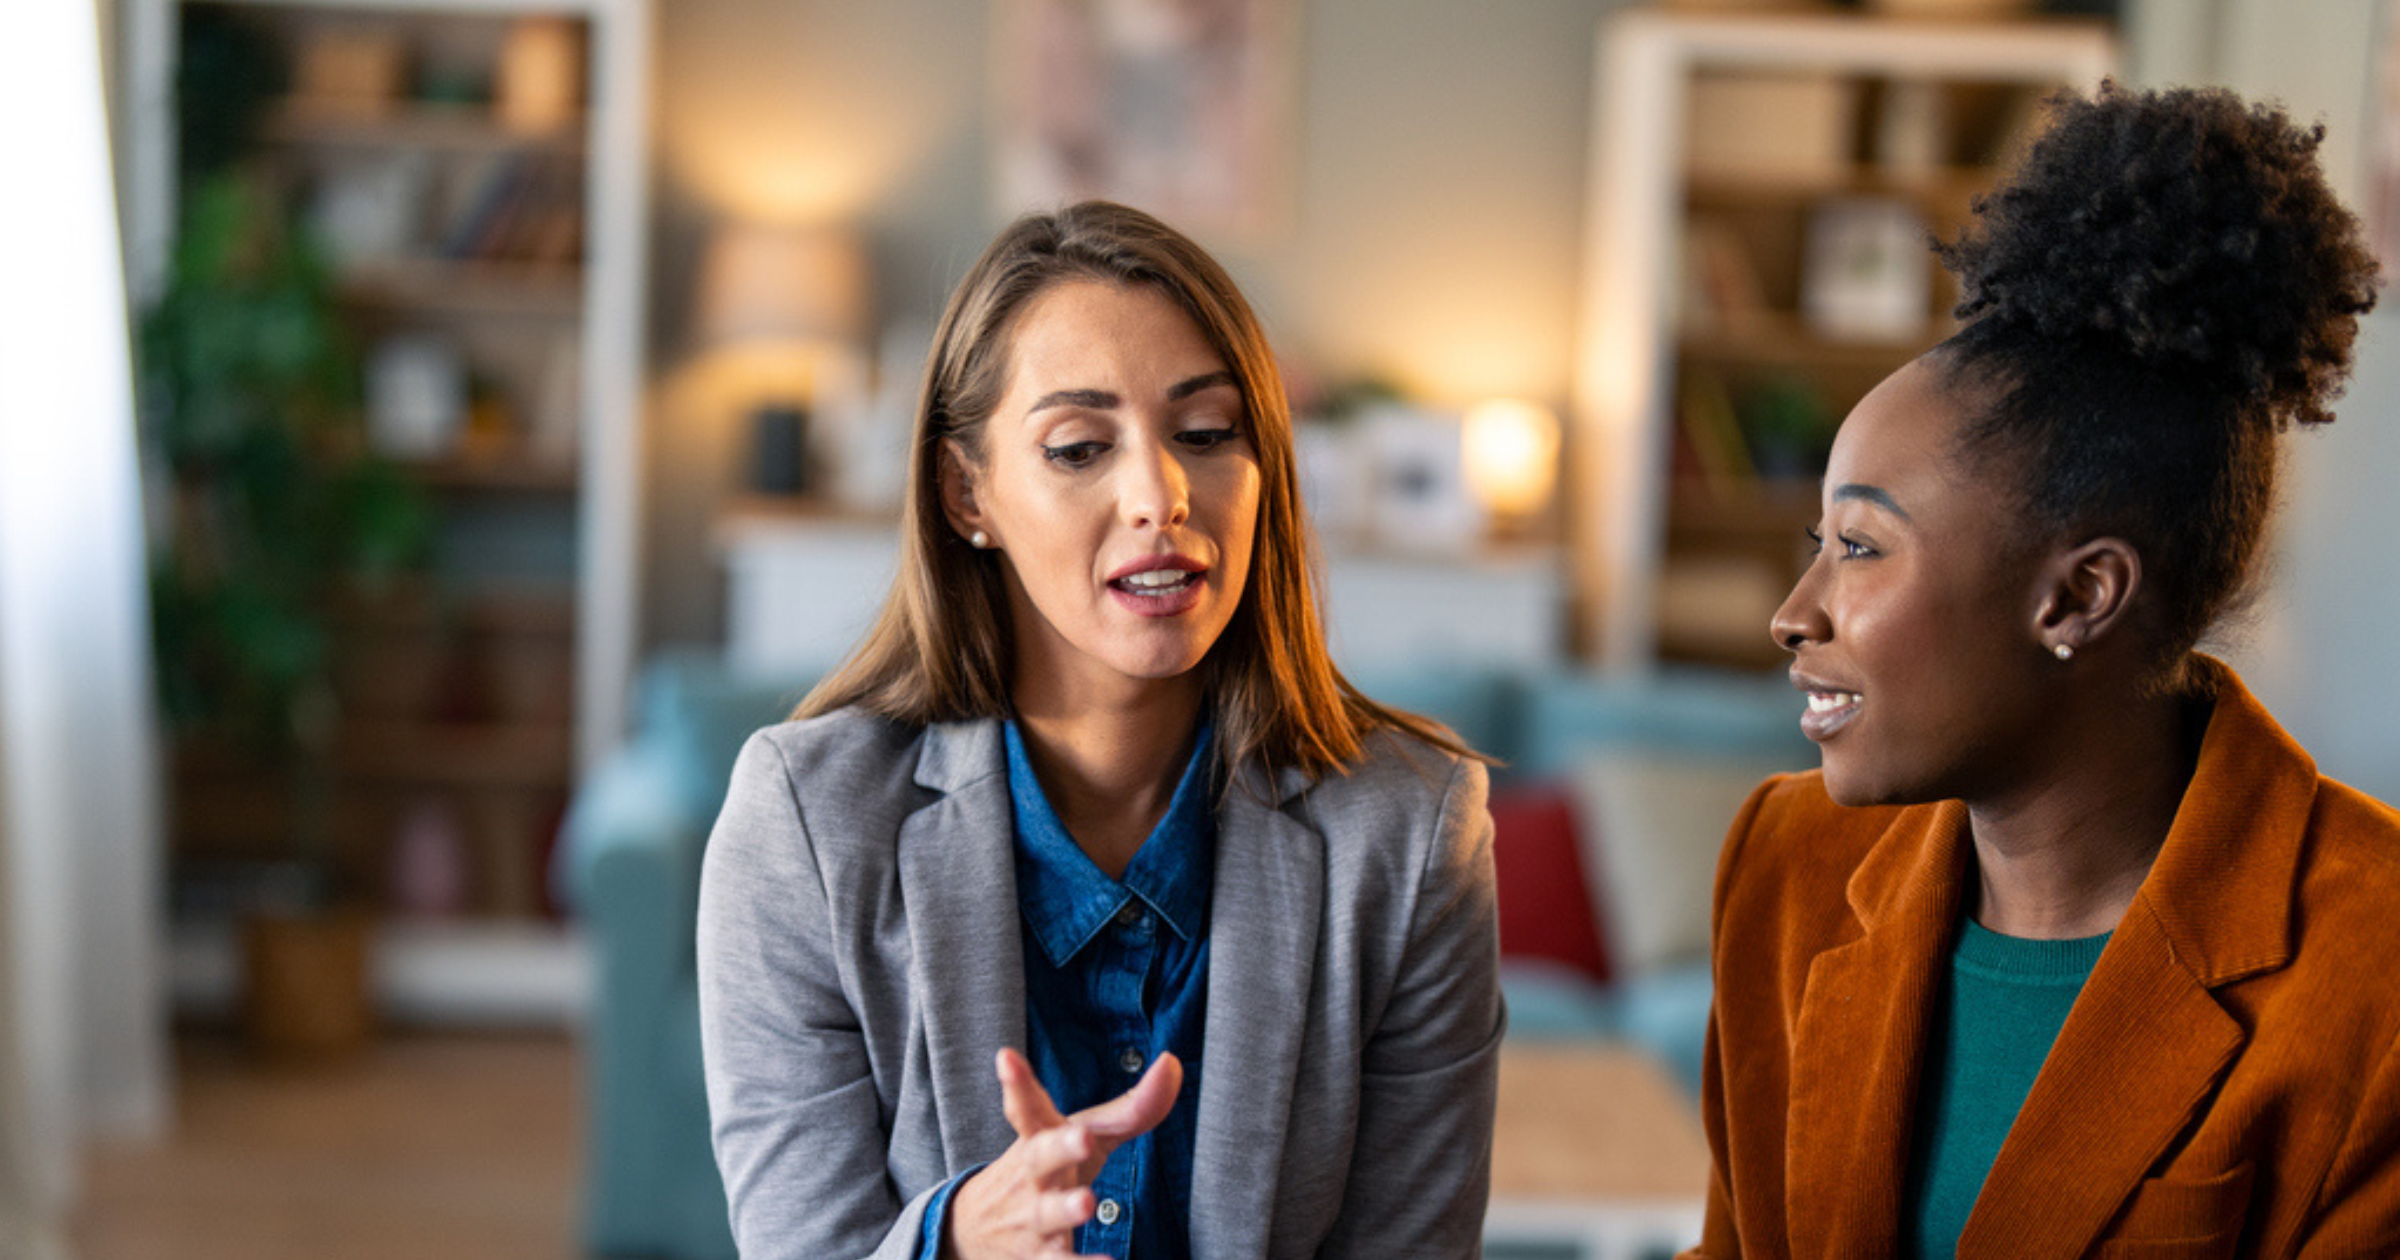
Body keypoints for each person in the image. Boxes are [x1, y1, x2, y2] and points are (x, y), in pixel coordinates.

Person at [696, 200, 1503, 1260]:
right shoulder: (804, 830)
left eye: (1207, 433)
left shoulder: (1410, 835)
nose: (1159, 494)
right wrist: (957, 1242)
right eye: (1079, 447)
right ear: (965, 494)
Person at [1687, 83, 2400, 1257]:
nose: (1792, 614)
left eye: (1859, 546)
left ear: (2077, 596)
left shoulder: (2372, 967)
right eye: (1817, 543)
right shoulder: (1789, 862)